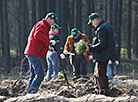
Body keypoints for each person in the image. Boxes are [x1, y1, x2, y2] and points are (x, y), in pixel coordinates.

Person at [24, 12, 58, 94]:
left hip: (32, 52)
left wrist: (48, 47)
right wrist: (49, 41)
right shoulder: (42, 25)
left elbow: (39, 39)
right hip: (35, 53)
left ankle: (29, 94)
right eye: (53, 21)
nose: (53, 24)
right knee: (40, 75)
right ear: (49, 19)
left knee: (33, 75)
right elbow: (37, 35)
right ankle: (32, 93)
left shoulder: (43, 25)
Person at [87, 13, 116, 95]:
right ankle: (98, 90)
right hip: (105, 54)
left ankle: (103, 92)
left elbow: (102, 44)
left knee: (100, 74)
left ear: (95, 20)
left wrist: (91, 48)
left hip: (102, 55)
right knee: (97, 74)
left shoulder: (101, 28)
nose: (92, 24)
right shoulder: (106, 26)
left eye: (92, 22)